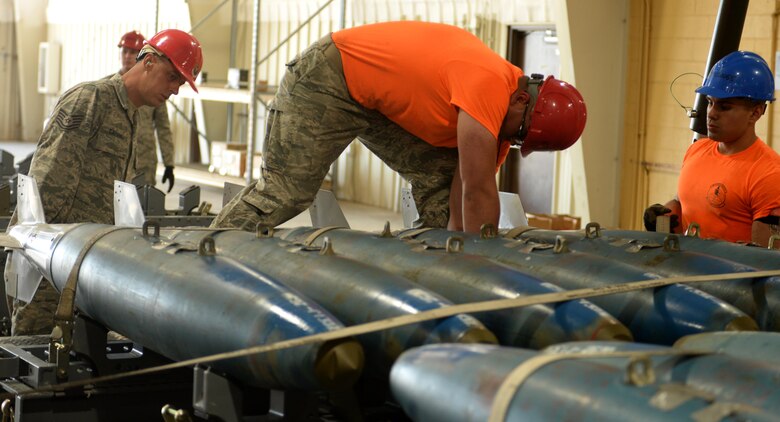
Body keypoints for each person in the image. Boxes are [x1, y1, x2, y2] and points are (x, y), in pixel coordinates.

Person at [212, 21, 586, 234]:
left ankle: (429, 269)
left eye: (521, 141)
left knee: (441, 189)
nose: (514, 142)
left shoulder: (504, 124)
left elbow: (462, 197)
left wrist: (459, 257)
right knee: (286, 191)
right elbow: (477, 195)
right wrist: (480, 263)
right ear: (523, 100)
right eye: (520, 132)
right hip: (329, 77)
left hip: (375, 100)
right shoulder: (488, 86)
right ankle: (203, 253)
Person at [6, 29, 203, 336]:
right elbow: (46, 184)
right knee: (35, 356)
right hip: (51, 263)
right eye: (172, 77)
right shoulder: (91, 99)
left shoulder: (133, 117)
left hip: (87, 261)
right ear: (149, 62)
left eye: (180, 83)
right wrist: (37, 258)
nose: (175, 90)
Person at [643, 51, 780, 246]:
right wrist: (660, 216)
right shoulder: (696, 150)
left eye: (724, 107)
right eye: (710, 103)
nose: (711, 114)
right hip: (687, 272)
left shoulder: (769, 174)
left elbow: (765, 263)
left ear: (755, 113)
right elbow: (683, 203)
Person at [109, 30, 176, 192]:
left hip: (144, 162)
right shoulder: (108, 88)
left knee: (143, 206)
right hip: (114, 159)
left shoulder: (155, 91)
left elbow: (163, 127)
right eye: (124, 51)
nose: (127, 56)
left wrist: (169, 163)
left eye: (132, 52)